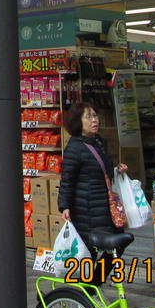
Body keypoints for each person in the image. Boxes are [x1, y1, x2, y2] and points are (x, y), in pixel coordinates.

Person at [58, 103, 128, 281]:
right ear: (78, 122)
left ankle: (92, 286)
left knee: (117, 244)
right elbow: (67, 179)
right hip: (86, 209)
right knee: (90, 252)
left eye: (95, 116)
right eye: (88, 117)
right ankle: (85, 293)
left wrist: (115, 170)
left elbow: (101, 170)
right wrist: (64, 205)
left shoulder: (99, 142)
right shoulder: (75, 148)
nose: (94, 120)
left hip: (103, 206)